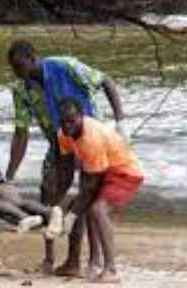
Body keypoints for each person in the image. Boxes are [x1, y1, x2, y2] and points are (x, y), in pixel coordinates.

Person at [5, 39, 126, 275]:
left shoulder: (65, 66)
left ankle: (93, 261)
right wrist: (10, 174)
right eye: (15, 69)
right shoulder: (21, 90)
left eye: (21, 67)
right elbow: (21, 132)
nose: (19, 73)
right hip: (58, 143)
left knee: (87, 197)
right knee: (48, 196)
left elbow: (106, 82)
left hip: (89, 138)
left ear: (33, 57)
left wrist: (120, 123)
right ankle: (51, 259)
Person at [46, 98, 143, 283]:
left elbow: (90, 187)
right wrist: (57, 205)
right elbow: (66, 171)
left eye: (72, 121)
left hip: (125, 172)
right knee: (80, 205)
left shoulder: (91, 139)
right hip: (103, 170)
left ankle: (111, 269)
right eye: (64, 121)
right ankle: (84, 263)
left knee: (97, 210)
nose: (68, 126)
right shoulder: (63, 134)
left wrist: (72, 215)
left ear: (81, 117)